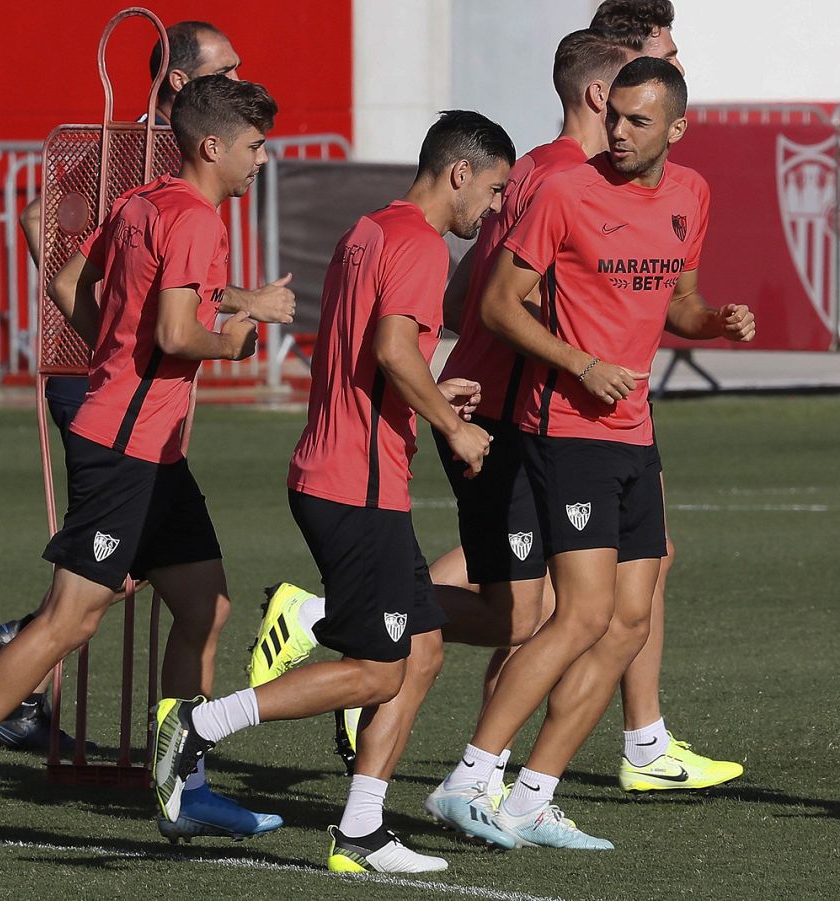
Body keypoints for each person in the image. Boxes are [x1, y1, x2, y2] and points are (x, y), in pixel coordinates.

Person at [248, 0, 741, 797]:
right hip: (523, 413)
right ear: (602, 93)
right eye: (659, 64)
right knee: (546, 610)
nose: (670, 81)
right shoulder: (552, 177)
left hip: (554, 408)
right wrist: (579, 345)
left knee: (570, 598)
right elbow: (491, 293)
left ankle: (598, 746)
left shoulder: (603, 183)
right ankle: (355, 638)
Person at [0, 75, 280, 852]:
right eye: (255, 146)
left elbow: (71, 278)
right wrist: (236, 335)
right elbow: (179, 333)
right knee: (68, 618)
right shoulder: (196, 221)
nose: (263, 160)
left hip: (154, 449)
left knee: (205, 603)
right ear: (212, 147)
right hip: (124, 449)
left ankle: (187, 787)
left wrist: (112, 349)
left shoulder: (143, 201)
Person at [152, 109, 513, 875]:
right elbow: (388, 347)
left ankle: (360, 829)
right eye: (492, 190)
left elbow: (370, 353)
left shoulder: (370, 229)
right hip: (358, 483)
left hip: (339, 470)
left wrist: (437, 386)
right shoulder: (418, 241)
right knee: (382, 668)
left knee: (421, 651)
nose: (492, 210)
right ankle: (202, 722)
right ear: (459, 173)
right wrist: (452, 423)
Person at [431, 57, 754, 850]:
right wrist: (580, 363)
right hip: (564, 431)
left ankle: (532, 796)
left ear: (676, 128)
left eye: (638, 122)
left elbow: (676, 298)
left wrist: (712, 322)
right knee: (575, 614)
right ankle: (469, 776)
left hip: (634, 432)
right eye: (614, 116)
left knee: (627, 621)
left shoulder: (690, 194)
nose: (618, 132)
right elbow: (499, 304)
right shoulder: (565, 191)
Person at [0, 19, 293, 756]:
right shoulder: (131, 152)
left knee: (180, 580)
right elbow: (41, 223)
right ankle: (13, 672)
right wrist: (115, 335)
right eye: (228, 68)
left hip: (137, 383)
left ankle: (164, 755)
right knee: (101, 582)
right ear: (183, 86)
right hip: (110, 393)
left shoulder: (180, 161)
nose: (242, 75)